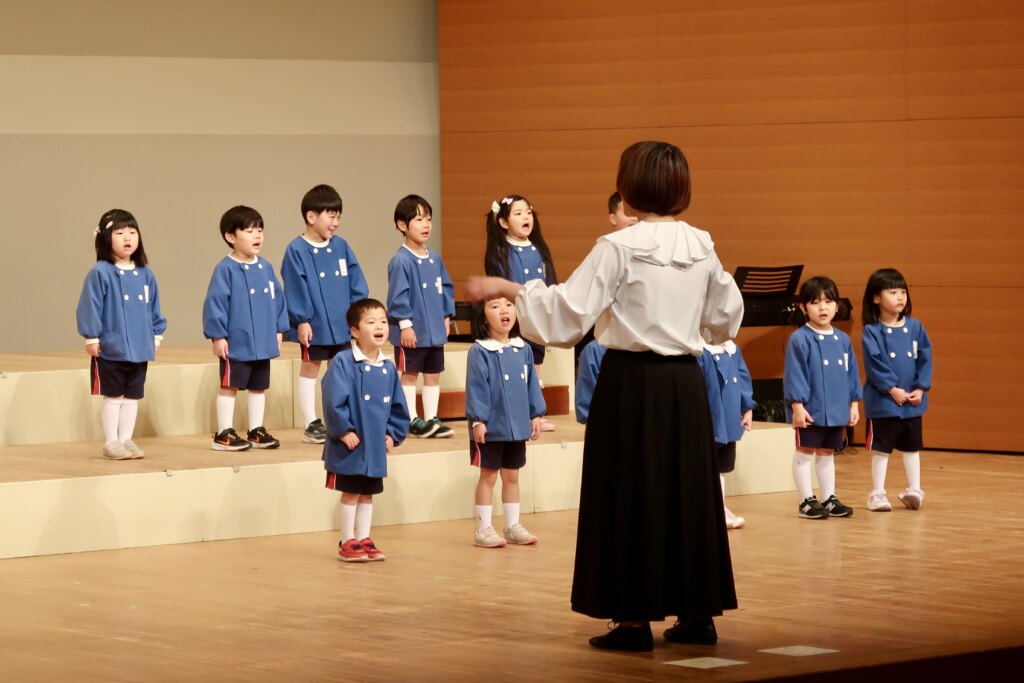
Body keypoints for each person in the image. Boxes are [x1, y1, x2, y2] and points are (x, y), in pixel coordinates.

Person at [466, 141, 743, 652]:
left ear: (630, 187)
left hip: (631, 384)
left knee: (629, 493)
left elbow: (568, 314)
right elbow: (724, 317)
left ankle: (633, 621)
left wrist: (513, 287)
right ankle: (697, 613)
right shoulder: (701, 244)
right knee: (686, 493)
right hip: (685, 385)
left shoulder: (618, 246)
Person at [321, 299, 410, 562]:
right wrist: (344, 430)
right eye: (371, 322)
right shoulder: (343, 362)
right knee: (351, 493)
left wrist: (392, 434)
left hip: (374, 446)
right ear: (355, 331)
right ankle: (347, 540)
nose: (379, 326)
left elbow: (398, 406)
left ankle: (364, 538)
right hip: (351, 443)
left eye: (383, 321)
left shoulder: (388, 367)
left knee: (368, 494)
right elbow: (333, 400)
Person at [76, 209, 167, 460]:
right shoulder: (101, 272)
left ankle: (126, 438)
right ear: (106, 238)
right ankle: (111, 442)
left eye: (132, 232)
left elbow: (154, 307)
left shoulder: (146, 273)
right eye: (120, 233)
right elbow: (90, 305)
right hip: (112, 347)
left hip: (140, 347)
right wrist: (92, 337)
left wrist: (156, 335)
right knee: (114, 396)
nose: (128, 238)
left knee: (132, 396)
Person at [281, 184, 368, 445]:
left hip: (342, 324)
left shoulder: (341, 246)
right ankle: (311, 423)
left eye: (338, 216)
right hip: (315, 324)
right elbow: (295, 287)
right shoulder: (296, 250)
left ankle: (338, 420)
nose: (336, 222)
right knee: (310, 368)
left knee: (340, 370)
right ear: (311, 216)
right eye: (331, 216)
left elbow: (356, 282)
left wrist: (357, 317)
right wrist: (302, 320)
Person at [202, 206, 288, 451]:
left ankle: (256, 430)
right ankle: (224, 433)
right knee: (230, 385)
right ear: (231, 236)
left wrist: (279, 329)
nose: (257, 235)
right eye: (249, 231)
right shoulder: (225, 269)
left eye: (260, 230)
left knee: (258, 386)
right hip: (237, 341)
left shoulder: (265, 267)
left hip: (262, 340)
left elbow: (278, 300)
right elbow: (215, 303)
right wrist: (218, 336)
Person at [464, 297, 546, 548]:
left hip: (517, 427)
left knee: (512, 475)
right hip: (490, 427)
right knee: (488, 476)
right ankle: (483, 529)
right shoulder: (479, 351)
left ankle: (512, 525)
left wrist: (535, 414)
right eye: (495, 306)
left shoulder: (524, 349)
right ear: (482, 315)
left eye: (508, 305)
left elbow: (532, 385)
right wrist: (478, 420)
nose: (504, 310)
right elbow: (476, 387)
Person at [784, 276, 862, 519]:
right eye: (815, 302)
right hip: (811, 409)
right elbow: (795, 374)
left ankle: (829, 498)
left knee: (828, 452)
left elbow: (851, 374)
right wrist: (797, 405)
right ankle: (806, 500)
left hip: (837, 409)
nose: (822, 307)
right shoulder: (800, 338)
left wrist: (853, 404)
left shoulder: (843, 339)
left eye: (828, 301)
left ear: (837, 306)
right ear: (803, 307)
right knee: (805, 452)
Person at [484, 194, 558, 431]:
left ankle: (535, 413)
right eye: (518, 213)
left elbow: (550, 281)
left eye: (528, 212)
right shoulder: (500, 251)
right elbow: (500, 287)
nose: (526, 217)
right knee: (514, 361)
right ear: (504, 222)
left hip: (536, 317)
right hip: (513, 318)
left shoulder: (538, 249)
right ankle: (515, 412)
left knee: (534, 361)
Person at [861, 268, 932, 511]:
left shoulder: (916, 327)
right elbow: (874, 364)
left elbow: (925, 359)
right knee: (881, 449)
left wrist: (920, 388)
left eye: (902, 291)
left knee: (912, 447)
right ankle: (877, 493)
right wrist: (892, 389)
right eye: (892, 292)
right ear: (876, 298)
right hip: (884, 402)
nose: (900, 297)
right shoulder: (872, 331)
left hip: (912, 401)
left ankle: (915, 489)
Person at [386, 194, 455, 439]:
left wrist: (446, 316)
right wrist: (405, 325)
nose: (426, 225)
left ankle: (431, 418)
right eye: (418, 219)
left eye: (428, 219)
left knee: (433, 373)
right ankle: (411, 419)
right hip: (413, 331)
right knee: (410, 373)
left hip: (434, 330)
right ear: (402, 225)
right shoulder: (401, 260)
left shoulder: (434, 258)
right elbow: (398, 296)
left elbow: (446, 287)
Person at [574, 192, 638, 423]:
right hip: (611, 338)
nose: (634, 218)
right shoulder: (605, 250)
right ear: (612, 218)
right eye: (627, 212)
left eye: (636, 212)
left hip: (641, 345)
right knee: (591, 354)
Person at [696, 335, 755, 529]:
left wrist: (747, 408)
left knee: (722, 466)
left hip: (729, 419)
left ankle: (720, 507)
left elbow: (743, 379)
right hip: (709, 419)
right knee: (706, 465)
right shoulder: (699, 350)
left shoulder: (732, 349)